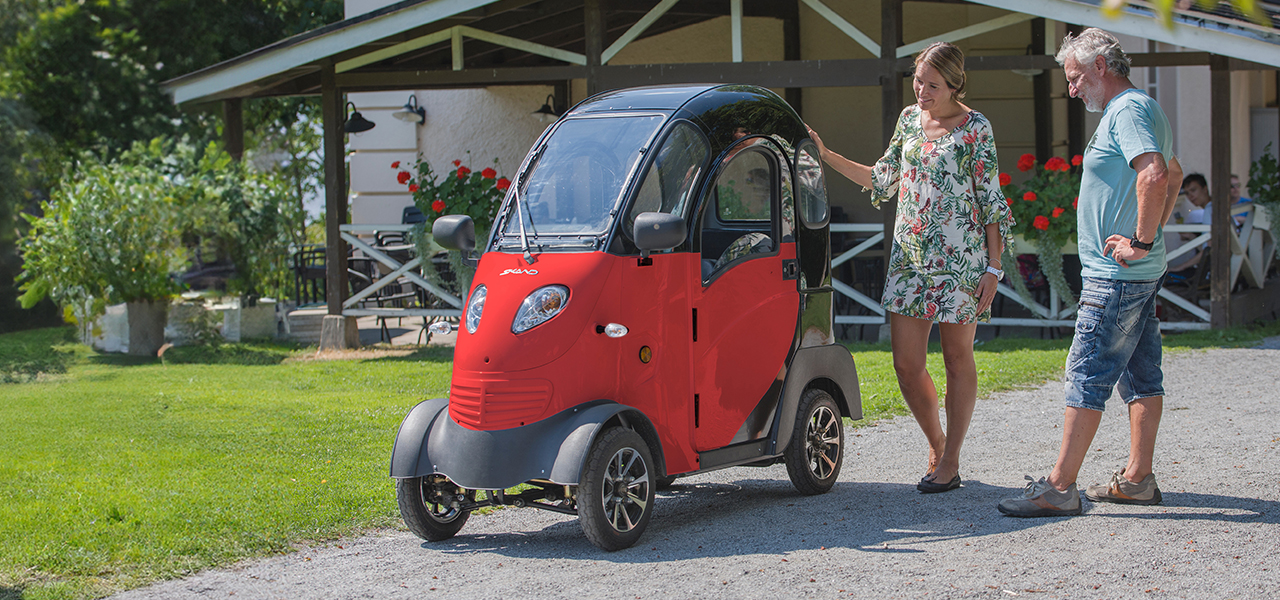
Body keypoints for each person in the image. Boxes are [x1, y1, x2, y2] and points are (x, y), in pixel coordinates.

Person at [809, 41, 1013, 494]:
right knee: (905, 364)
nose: (922, 91)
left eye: (932, 85)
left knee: (957, 359)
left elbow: (990, 200)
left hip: (961, 263)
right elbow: (882, 179)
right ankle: (937, 443)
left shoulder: (976, 128)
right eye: (918, 81)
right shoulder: (908, 120)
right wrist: (825, 154)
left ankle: (951, 459)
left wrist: (993, 267)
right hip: (910, 260)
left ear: (955, 85)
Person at [998, 28, 1183, 517]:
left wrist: (1140, 241)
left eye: (1076, 77)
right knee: (1142, 375)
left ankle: (1059, 488)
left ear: (1101, 66)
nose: (1072, 88)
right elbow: (1175, 173)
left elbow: (1155, 174)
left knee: (1086, 374)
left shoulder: (1126, 110)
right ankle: (1138, 480)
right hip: (1135, 275)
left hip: (1116, 276)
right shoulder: (1145, 107)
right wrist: (1150, 239)